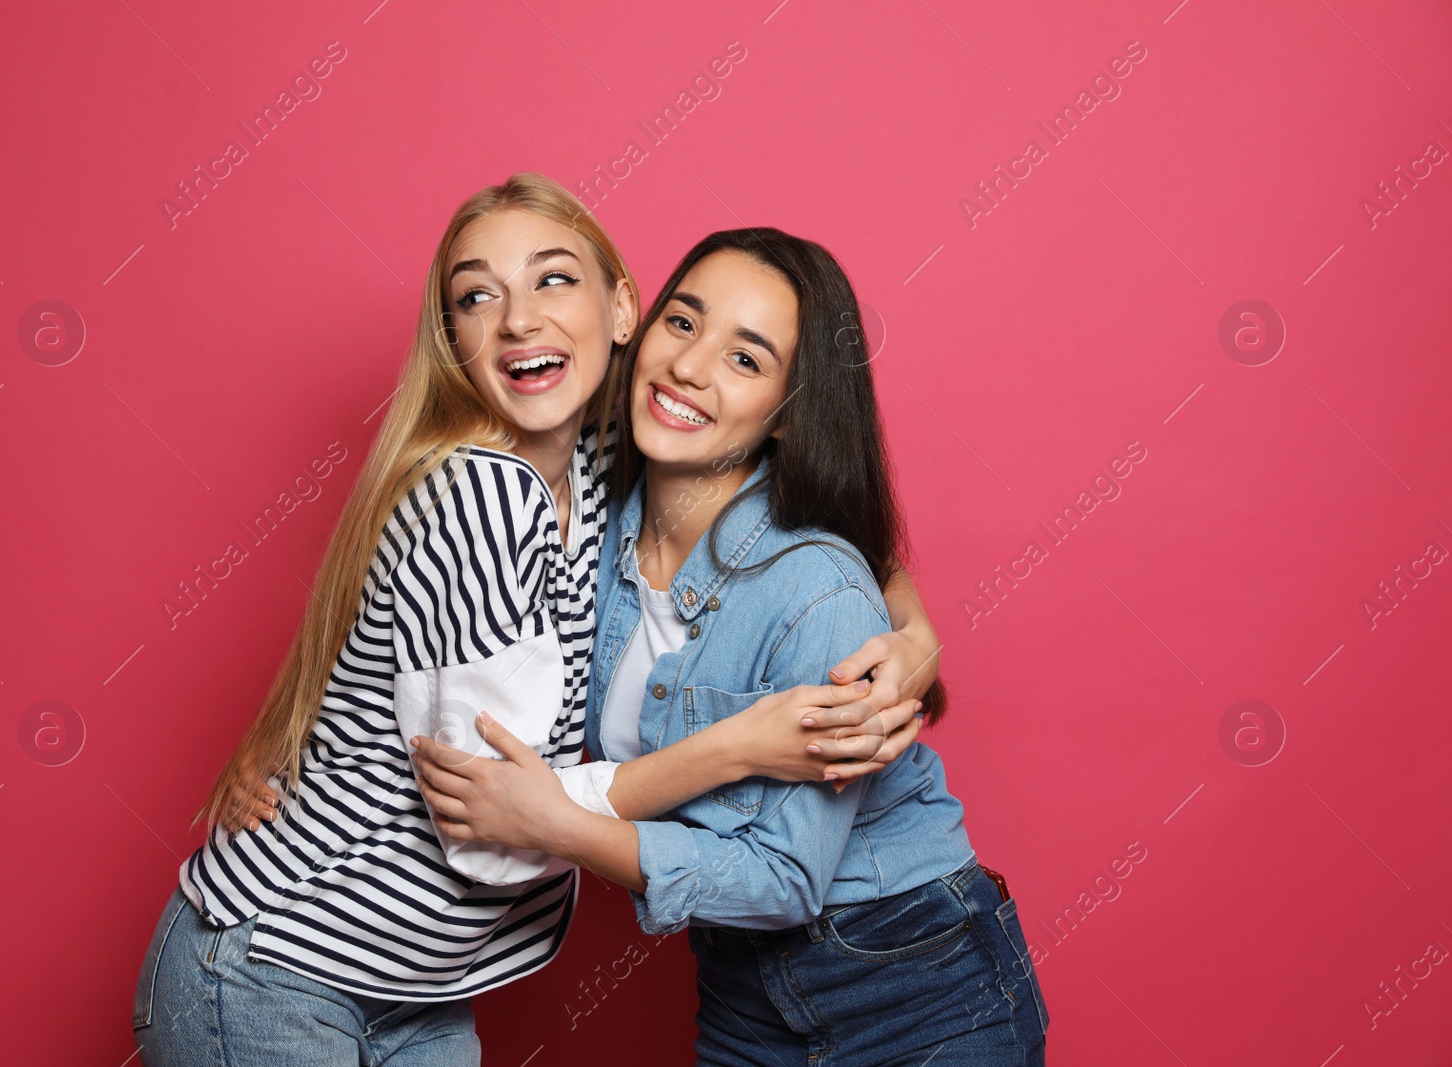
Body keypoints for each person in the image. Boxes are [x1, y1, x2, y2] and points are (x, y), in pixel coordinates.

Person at [132, 175, 944, 1066]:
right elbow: (497, 829)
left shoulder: (604, 453)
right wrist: (741, 745)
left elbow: (814, 499)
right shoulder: (487, 492)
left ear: (620, 306)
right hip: (283, 963)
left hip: (418, 985)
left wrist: (911, 630)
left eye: (551, 279)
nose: (517, 319)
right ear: (455, 343)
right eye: (477, 296)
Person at [415, 228, 1050, 1065]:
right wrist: (275, 744)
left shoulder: (817, 591)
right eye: (682, 324)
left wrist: (559, 824)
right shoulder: (585, 513)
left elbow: (784, 881)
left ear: (788, 415)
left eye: (745, 360)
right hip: (743, 992)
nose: (689, 367)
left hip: (918, 981)